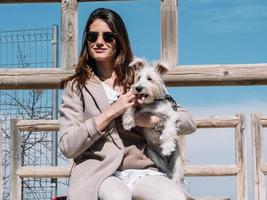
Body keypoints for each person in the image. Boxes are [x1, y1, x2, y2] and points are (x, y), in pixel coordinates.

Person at [59, 8, 196, 200]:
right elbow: (67, 146)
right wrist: (110, 113)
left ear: (119, 40)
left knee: (174, 197)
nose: (99, 42)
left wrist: (153, 120)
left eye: (108, 36)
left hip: (144, 168)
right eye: (92, 36)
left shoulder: (138, 78)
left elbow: (188, 121)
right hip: (100, 173)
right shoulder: (76, 86)